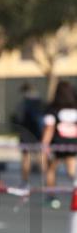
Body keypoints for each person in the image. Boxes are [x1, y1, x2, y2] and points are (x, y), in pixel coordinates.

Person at [41, 80, 77, 209]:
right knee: (72, 171)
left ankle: (52, 197)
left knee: (51, 170)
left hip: (57, 145)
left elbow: (49, 128)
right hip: (72, 144)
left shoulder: (53, 109)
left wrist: (44, 144)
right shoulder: (75, 108)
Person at [11, 82, 44, 187]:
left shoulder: (23, 103)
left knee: (26, 157)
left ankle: (25, 182)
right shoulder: (40, 102)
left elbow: (18, 117)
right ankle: (45, 181)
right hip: (38, 133)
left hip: (25, 133)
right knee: (40, 157)